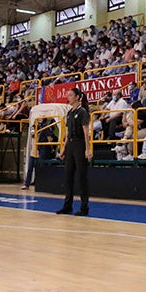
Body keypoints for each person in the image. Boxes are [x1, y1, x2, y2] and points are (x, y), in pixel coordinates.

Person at [56, 87, 92, 216]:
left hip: (80, 144)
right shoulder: (70, 113)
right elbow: (68, 132)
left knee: (82, 176)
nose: (68, 97)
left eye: (70, 95)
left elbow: (85, 132)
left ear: (77, 97)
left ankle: (84, 207)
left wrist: (88, 149)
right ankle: (67, 206)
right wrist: (64, 149)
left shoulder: (82, 112)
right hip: (70, 144)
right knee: (68, 176)